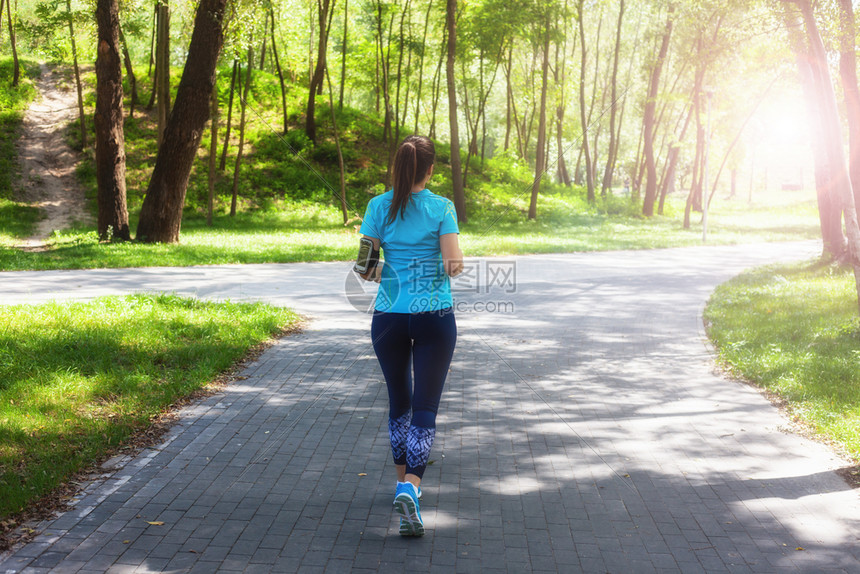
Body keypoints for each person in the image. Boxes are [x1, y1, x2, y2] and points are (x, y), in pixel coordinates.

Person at [358, 135, 464, 536]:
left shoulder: (377, 206)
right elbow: (453, 264)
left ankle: (403, 487)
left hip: (388, 317)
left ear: (398, 167)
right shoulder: (442, 207)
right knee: (425, 407)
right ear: (431, 170)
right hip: (434, 316)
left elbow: (365, 269)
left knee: (398, 403)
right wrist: (439, 264)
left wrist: (396, 270)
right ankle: (411, 489)